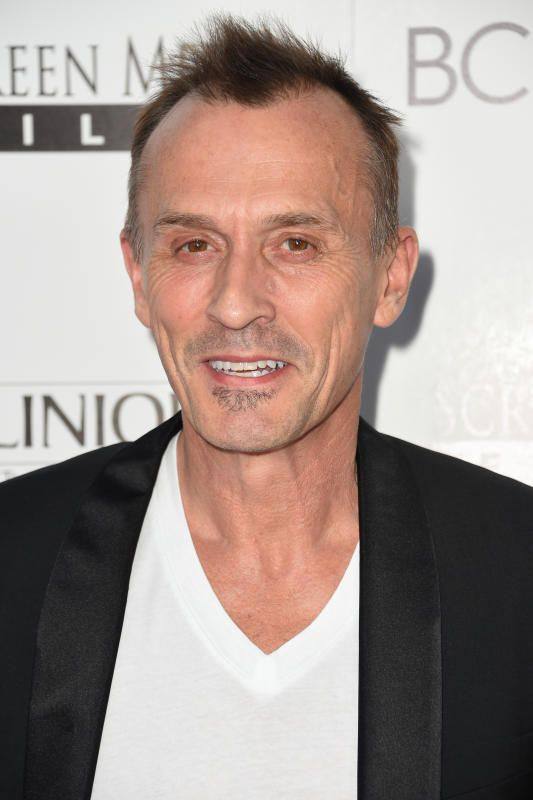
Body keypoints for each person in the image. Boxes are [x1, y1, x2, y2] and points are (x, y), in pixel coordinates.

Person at [1, 12, 532, 800]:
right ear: (139, 276)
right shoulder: (14, 558)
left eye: (295, 243)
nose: (235, 302)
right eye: (193, 245)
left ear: (389, 278)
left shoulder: (515, 574)